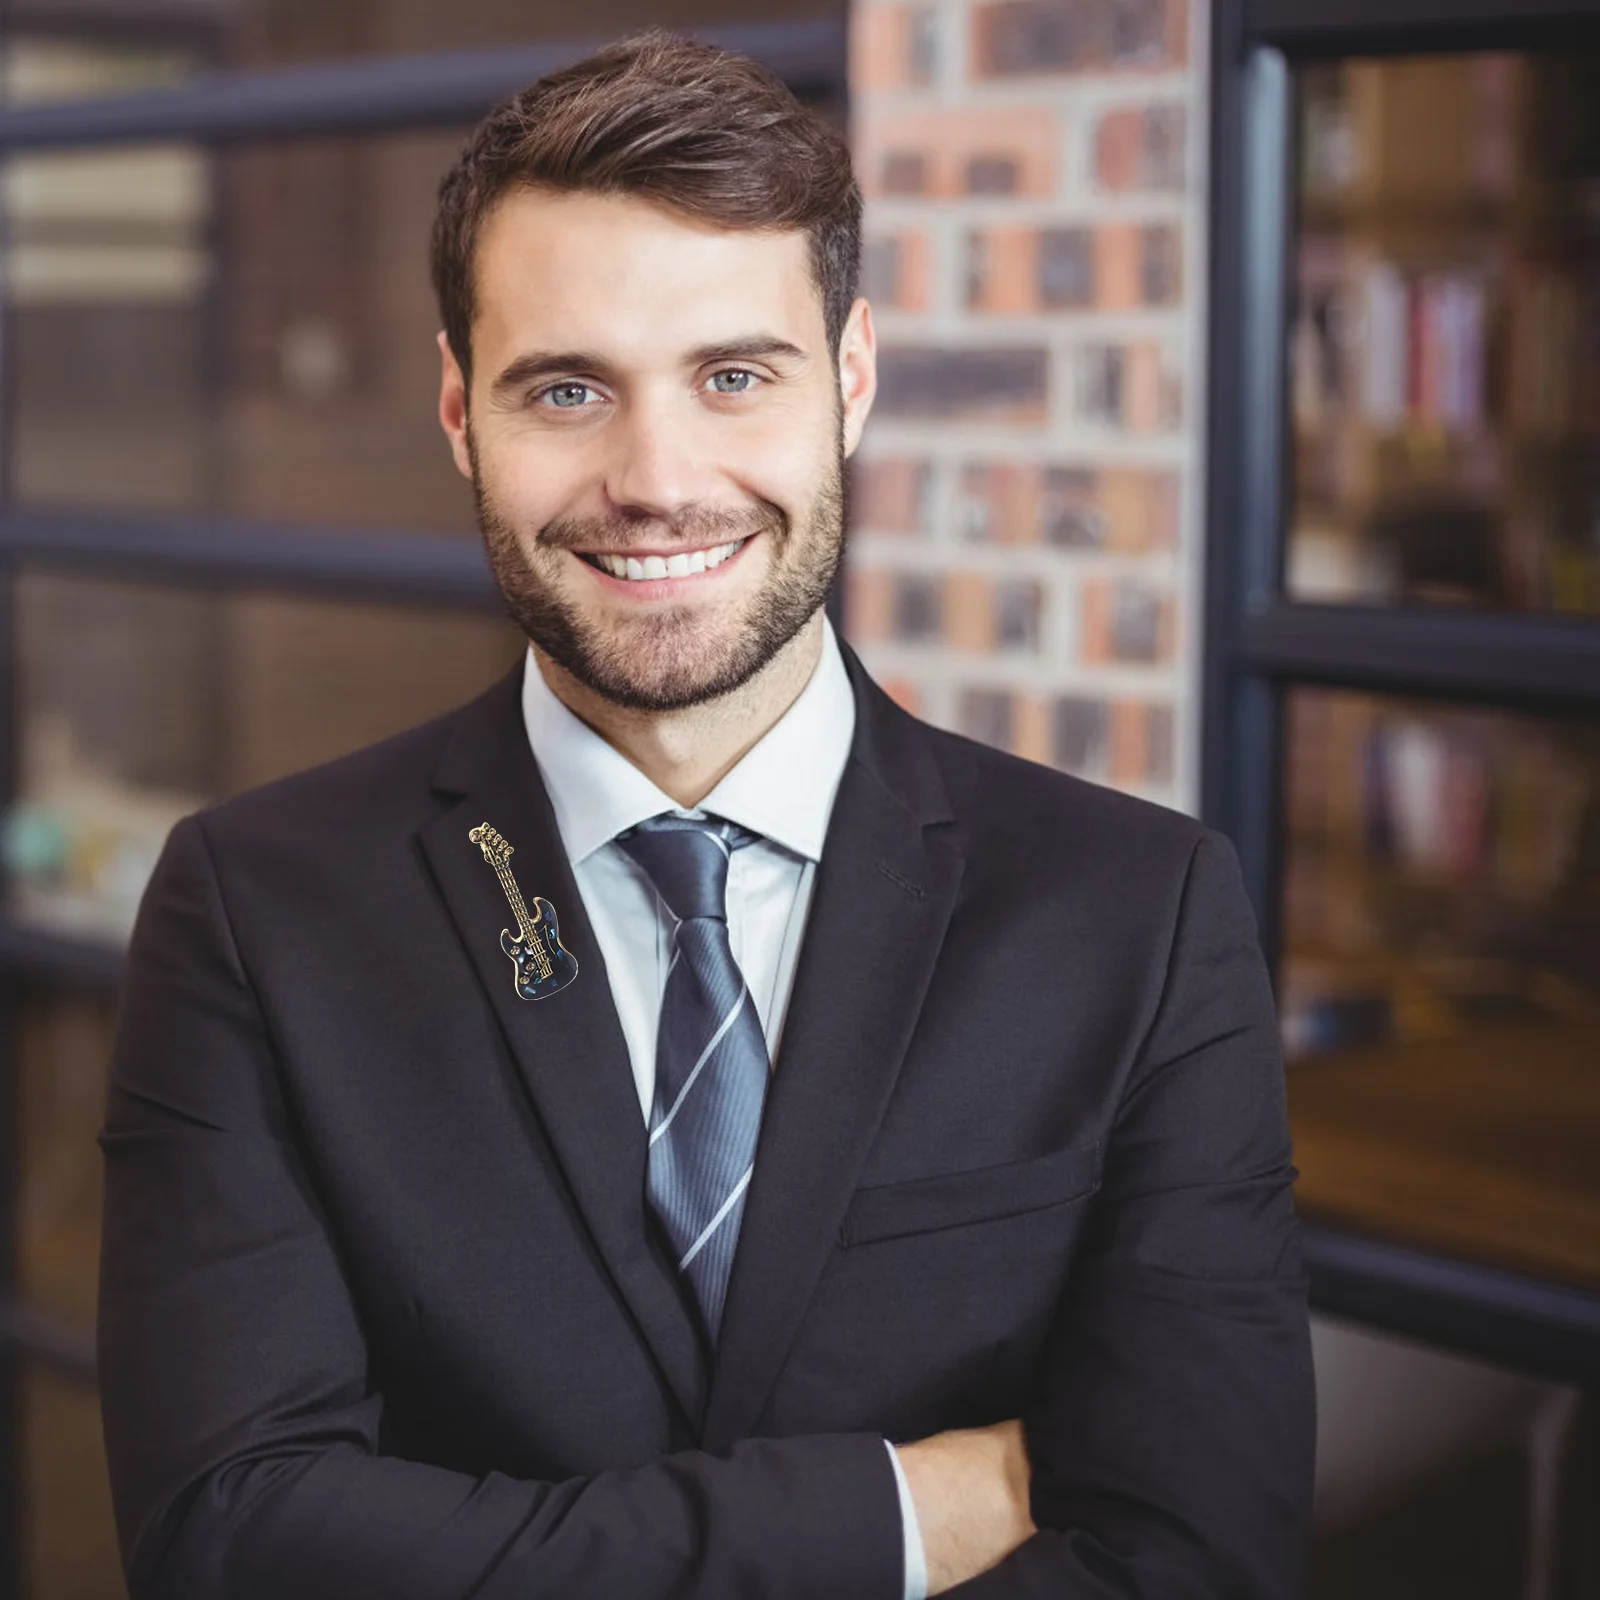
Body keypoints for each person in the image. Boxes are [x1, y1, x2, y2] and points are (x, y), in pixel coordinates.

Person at [97, 30, 1315, 1599]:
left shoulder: (1138, 915)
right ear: (462, 411)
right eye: (567, 389)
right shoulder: (255, 911)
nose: (657, 478)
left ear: (853, 381)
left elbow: (1202, 1556)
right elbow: (228, 1545)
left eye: (733, 376)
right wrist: (885, 1523)